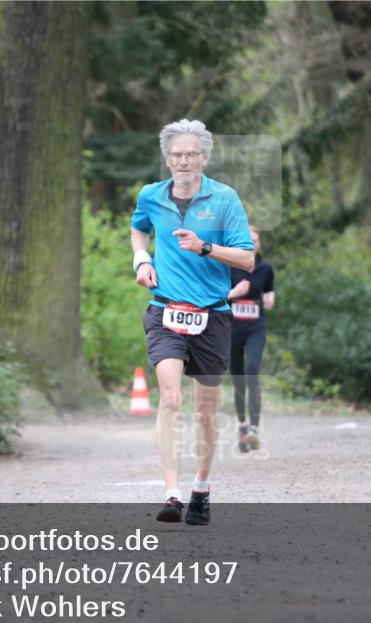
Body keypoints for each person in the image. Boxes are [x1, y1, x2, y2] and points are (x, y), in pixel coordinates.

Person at [130, 119, 255, 524]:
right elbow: (138, 229)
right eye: (177, 154)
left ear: (204, 158)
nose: (184, 161)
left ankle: (201, 487)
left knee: (204, 411)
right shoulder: (151, 196)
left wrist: (205, 247)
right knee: (169, 398)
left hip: (213, 314)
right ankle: (171, 494)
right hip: (165, 308)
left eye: (192, 154)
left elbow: (247, 258)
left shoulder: (224, 199)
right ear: (167, 159)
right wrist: (142, 259)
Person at [227, 225, 275, 452]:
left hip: (256, 327)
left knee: (252, 369)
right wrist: (233, 294)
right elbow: (218, 296)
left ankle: (254, 428)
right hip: (232, 328)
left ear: (259, 244)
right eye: (249, 240)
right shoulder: (229, 267)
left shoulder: (265, 268)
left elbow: (269, 290)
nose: (253, 244)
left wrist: (270, 298)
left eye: (256, 240)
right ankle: (242, 425)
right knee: (237, 378)